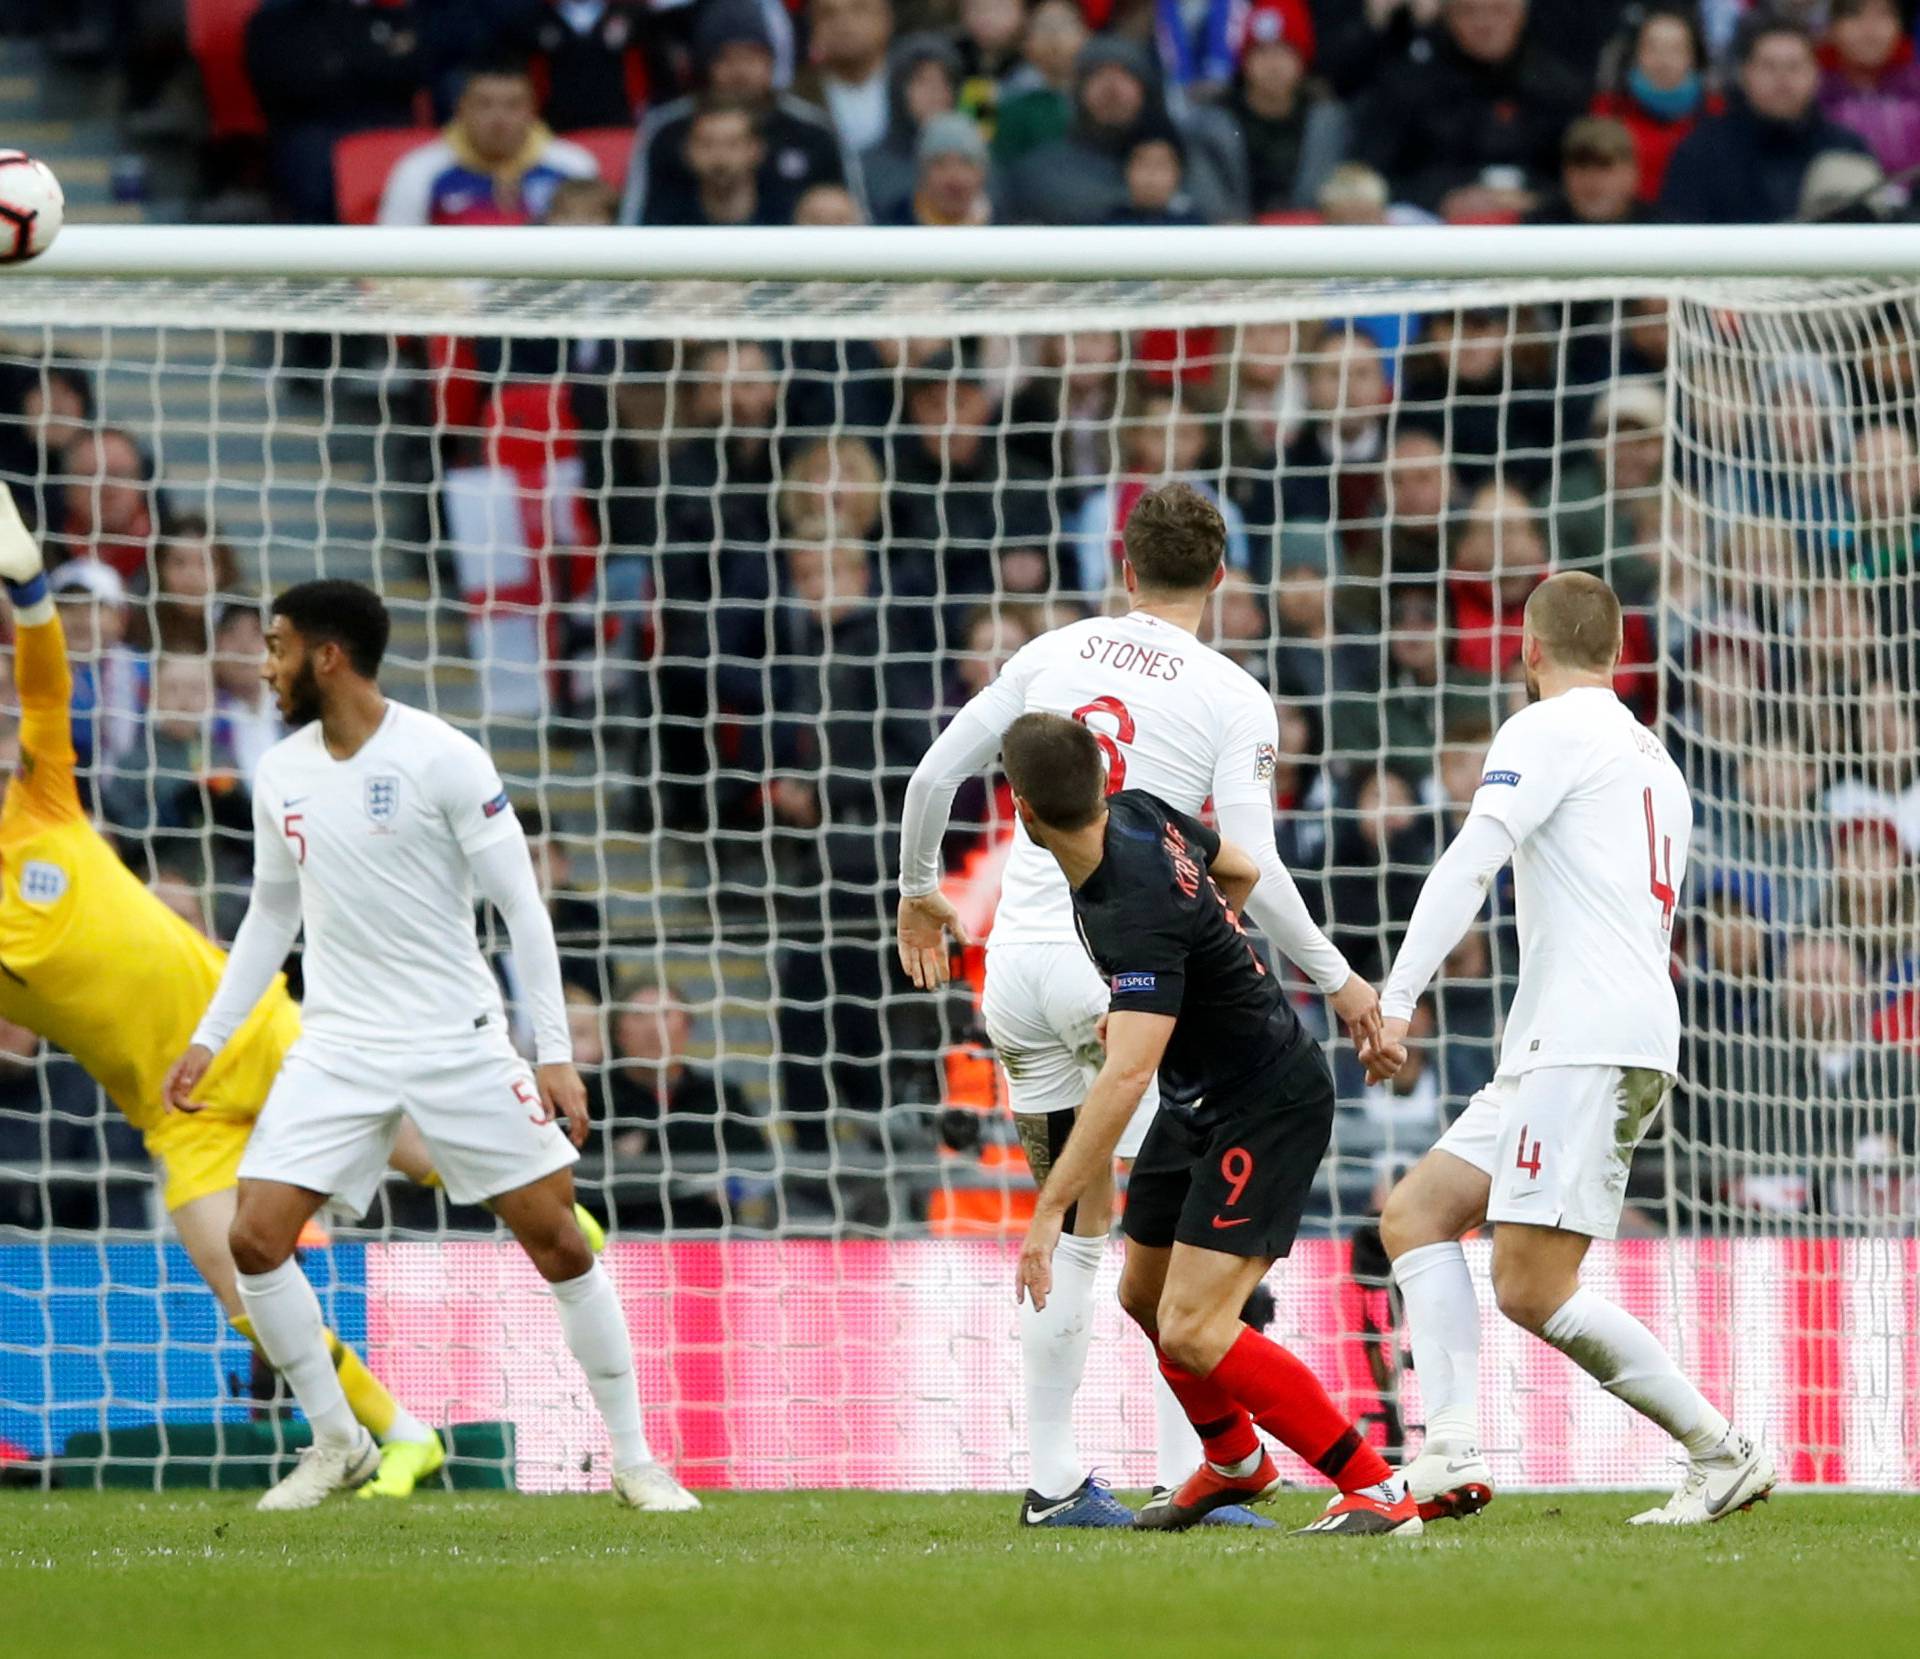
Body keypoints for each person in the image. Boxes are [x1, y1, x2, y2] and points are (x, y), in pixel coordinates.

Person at [896, 481, 1381, 1527]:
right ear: (1220, 575)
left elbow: (933, 774)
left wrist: (917, 893)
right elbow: (1260, 870)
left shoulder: (1050, 652)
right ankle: (1197, 1474)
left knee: (1080, 1225)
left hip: (1016, 968)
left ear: (1124, 567)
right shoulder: (1231, 694)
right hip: (1122, 961)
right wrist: (1340, 980)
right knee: (1181, 1236)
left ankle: (1056, 1478)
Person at [162, 580, 697, 1515]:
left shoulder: (442, 757)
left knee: (560, 1242)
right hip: (336, 1044)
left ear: (328, 656)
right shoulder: (279, 769)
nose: (265, 662)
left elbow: (522, 909)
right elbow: (270, 913)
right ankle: (339, 1439)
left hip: (458, 1043)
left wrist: (555, 1051)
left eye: (279, 645)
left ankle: (635, 1457)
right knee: (254, 1237)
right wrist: (212, 1035)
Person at [0, 486, 446, 1498]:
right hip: (176, 1112)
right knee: (239, 1276)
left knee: (434, 1157)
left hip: (252, 1033)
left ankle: (568, 1224)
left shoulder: (44, 805)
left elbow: (42, 686)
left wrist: (28, 591)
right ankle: (390, 1433)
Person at [1368, 571, 1776, 1527]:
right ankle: (1450, 1452)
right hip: (1571, 1033)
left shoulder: (1545, 727)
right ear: (1621, 649)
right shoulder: (1656, 762)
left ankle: (1720, 1449)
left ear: (1529, 648)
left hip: (1585, 1041)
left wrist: (1397, 997)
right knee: (1417, 1214)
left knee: (1530, 1285)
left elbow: (1473, 857)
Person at [999, 712, 1418, 1536]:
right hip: (1202, 1094)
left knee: (1194, 1327)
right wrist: (1182, 993)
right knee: (1144, 1294)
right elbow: (1240, 867)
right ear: (1101, 778)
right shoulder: (1143, 808)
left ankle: (1378, 1488)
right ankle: (1234, 1460)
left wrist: (1049, 1211)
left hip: (1265, 1099)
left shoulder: (1132, 908)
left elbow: (1127, 1075)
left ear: (1023, 809)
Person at [619, 0, 857, 226]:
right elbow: (633, 224)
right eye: (726, 58)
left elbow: (856, 216)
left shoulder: (814, 131)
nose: (740, 71)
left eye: (752, 57)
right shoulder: (666, 131)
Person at [1349, 0, 1588, 220]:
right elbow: (1372, 175)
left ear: (1522, 14)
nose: (1485, 25)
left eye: (1499, 11)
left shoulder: (1559, 87)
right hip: (1431, 229)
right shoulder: (1406, 87)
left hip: (1542, 229)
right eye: (1469, 12)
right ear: (1446, 16)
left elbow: (1588, 172)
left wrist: (1538, 199)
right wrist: (1441, 198)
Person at [1660, 17, 1870, 224]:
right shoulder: (1701, 153)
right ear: (1744, 73)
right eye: (1769, 66)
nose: (1782, 78)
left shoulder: (1846, 149)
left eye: (1794, 66)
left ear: (1815, 74)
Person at [377, 56, 600, 226]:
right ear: (461, 108)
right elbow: (389, 262)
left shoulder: (573, 166)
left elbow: (597, 255)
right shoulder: (420, 170)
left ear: (533, 109)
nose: (499, 118)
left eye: (513, 105)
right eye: (484, 104)